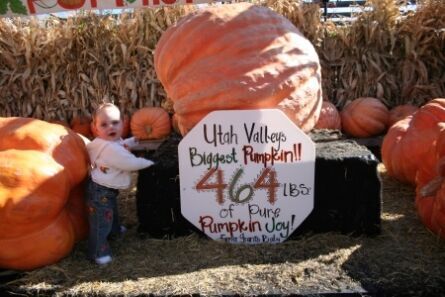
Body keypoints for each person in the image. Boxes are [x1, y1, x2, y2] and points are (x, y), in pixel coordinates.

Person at [85, 102, 154, 265]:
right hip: (99, 191)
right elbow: (130, 163)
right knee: (101, 222)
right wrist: (150, 162)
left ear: (123, 122)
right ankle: (97, 253)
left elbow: (119, 145)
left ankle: (115, 231)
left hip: (104, 188)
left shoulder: (108, 143)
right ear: (95, 128)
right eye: (104, 124)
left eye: (115, 122)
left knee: (111, 212)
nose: (111, 127)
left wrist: (131, 142)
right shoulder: (110, 149)